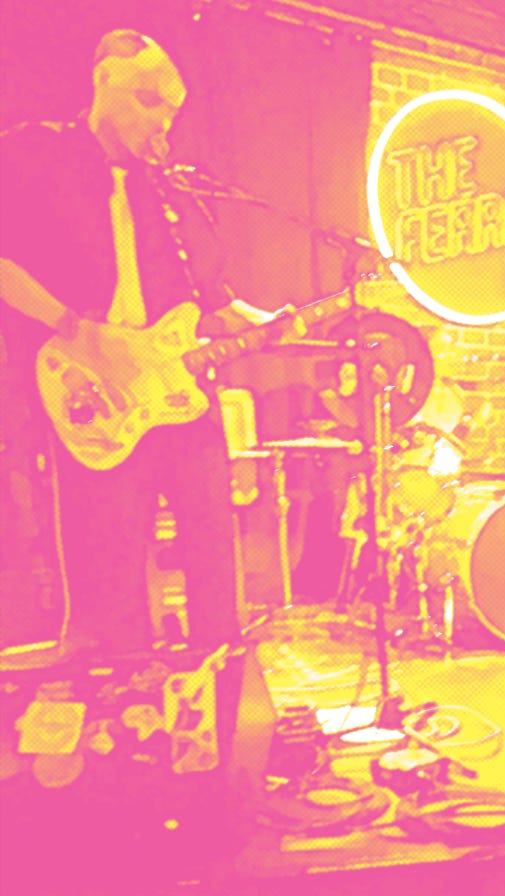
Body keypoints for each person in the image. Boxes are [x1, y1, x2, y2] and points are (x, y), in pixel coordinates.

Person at [0, 30, 281, 657]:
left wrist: (274, 321)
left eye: (172, 110)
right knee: (113, 558)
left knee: (213, 543)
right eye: (148, 100)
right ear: (103, 81)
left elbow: (211, 297)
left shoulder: (172, 187)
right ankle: (123, 687)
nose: (162, 121)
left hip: (177, 391)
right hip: (91, 386)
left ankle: (218, 673)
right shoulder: (35, 151)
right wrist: (72, 327)